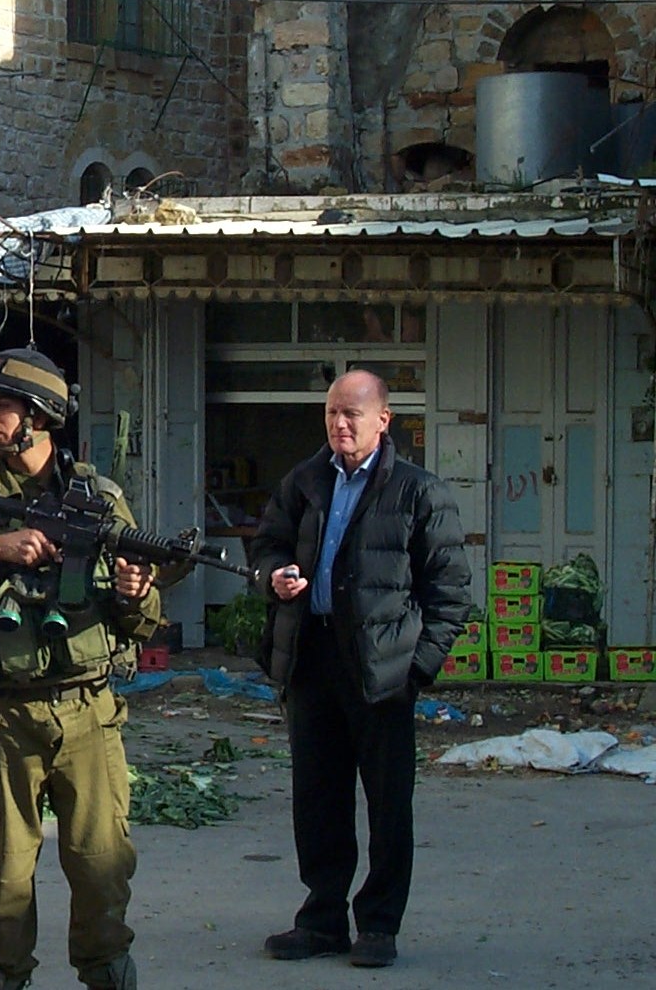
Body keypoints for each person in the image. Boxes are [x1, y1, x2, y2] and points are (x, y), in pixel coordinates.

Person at [0, 347, 159, 990]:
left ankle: (106, 971)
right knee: (7, 876)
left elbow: (143, 621)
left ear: (40, 416)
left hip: (88, 711)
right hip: (6, 715)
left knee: (103, 866)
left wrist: (136, 594)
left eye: (3, 406)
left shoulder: (100, 499)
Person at [248, 369, 470, 970]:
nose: (340, 425)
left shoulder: (419, 492)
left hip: (381, 671)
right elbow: (266, 544)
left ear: (383, 420)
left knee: (387, 804)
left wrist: (416, 668)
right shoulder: (305, 480)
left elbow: (450, 594)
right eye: (332, 413)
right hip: (312, 660)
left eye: (352, 414)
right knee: (317, 799)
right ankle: (321, 919)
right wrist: (273, 576)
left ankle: (378, 925)